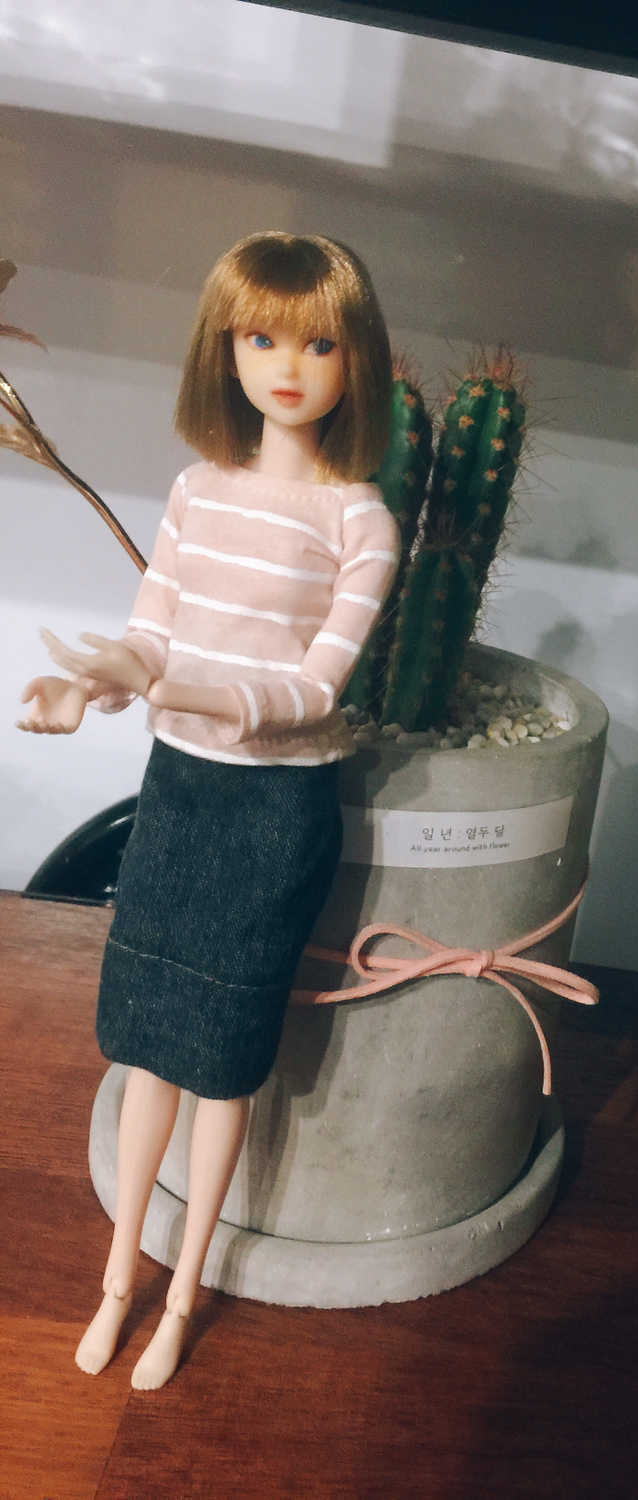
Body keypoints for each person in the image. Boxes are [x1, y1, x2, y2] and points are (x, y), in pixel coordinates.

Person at [17, 231, 397, 1389]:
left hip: (274, 810)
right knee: (146, 1046)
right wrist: (95, 681)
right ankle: (116, 1277)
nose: (287, 366)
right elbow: (151, 628)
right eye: (261, 337)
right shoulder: (197, 492)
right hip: (179, 793)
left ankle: (181, 1294)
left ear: (355, 359)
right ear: (224, 348)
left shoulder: (358, 522)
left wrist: (172, 688)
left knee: (225, 1063)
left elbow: (312, 690)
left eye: (318, 344)